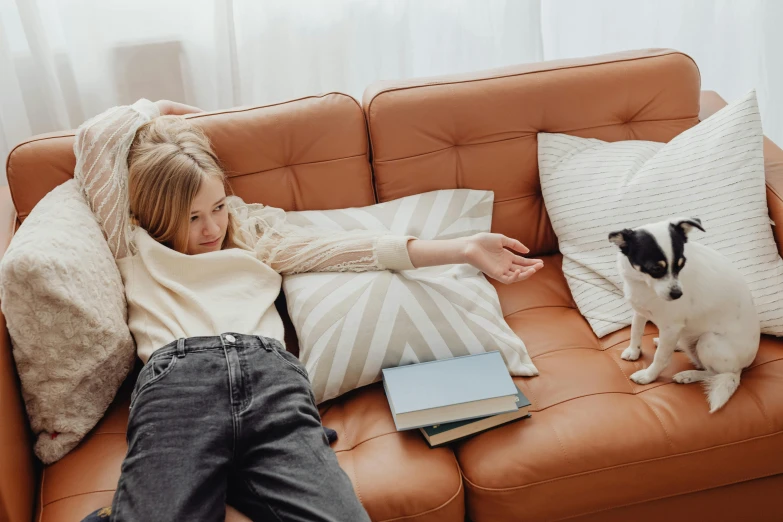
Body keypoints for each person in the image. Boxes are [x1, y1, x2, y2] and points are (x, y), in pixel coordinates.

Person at [74, 98, 544, 522]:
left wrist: (463, 248)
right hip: (180, 380)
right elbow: (96, 138)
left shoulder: (251, 234)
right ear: (155, 215)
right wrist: (158, 111)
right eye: (192, 217)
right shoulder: (130, 243)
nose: (212, 227)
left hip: (271, 378)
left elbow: (353, 251)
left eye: (218, 206)